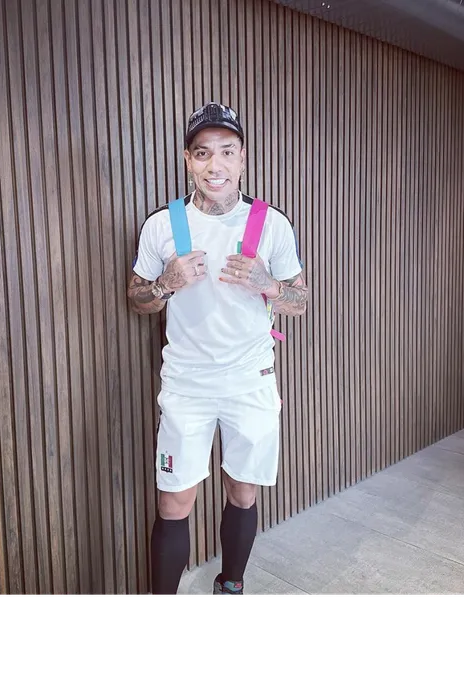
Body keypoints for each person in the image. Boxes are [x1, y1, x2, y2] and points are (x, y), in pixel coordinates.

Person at [127, 102, 308, 599]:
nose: (216, 165)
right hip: (186, 382)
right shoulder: (163, 224)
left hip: (250, 379)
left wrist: (269, 284)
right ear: (188, 159)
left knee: (242, 491)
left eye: (227, 151)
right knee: (174, 501)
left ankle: (230, 586)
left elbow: (300, 301)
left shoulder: (271, 223)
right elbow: (137, 299)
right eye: (204, 152)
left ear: (243, 158)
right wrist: (165, 283)